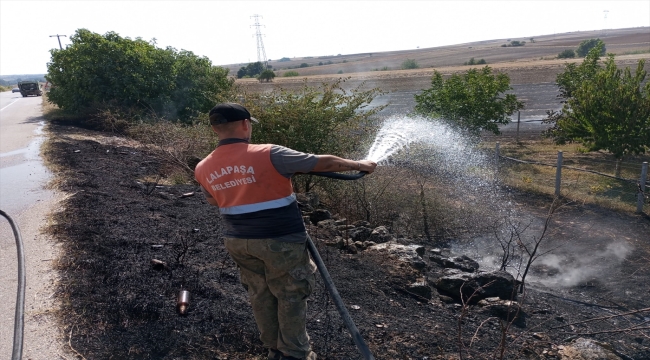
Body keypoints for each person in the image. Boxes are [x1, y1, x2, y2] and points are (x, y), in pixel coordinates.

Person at [194, 103, 377, 360]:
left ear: (215, 129)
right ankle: (294, 353)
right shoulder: (269, 153)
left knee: (260, 293)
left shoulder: (203, 166)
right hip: (279, 240)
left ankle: (274, 349)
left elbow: (214, 200)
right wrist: (361, 164)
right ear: (246, 124)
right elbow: (321, 163)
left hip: (238, 242)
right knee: (290, 294)